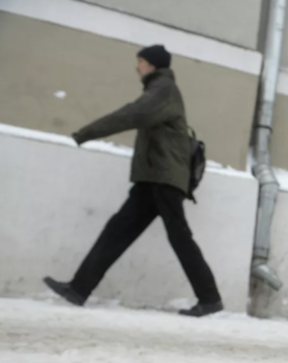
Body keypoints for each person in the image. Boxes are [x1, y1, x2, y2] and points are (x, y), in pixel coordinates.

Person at [44, 45, 223, 318]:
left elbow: (132, 114)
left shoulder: (163, 89)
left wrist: (86, 132)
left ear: (152, 64)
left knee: (179, 237)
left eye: (140, 61)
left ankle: (210, 298)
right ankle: (79, 289)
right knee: (117, 231)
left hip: (163, 178)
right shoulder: (160, 90)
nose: (137, 67)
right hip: (152, 178)